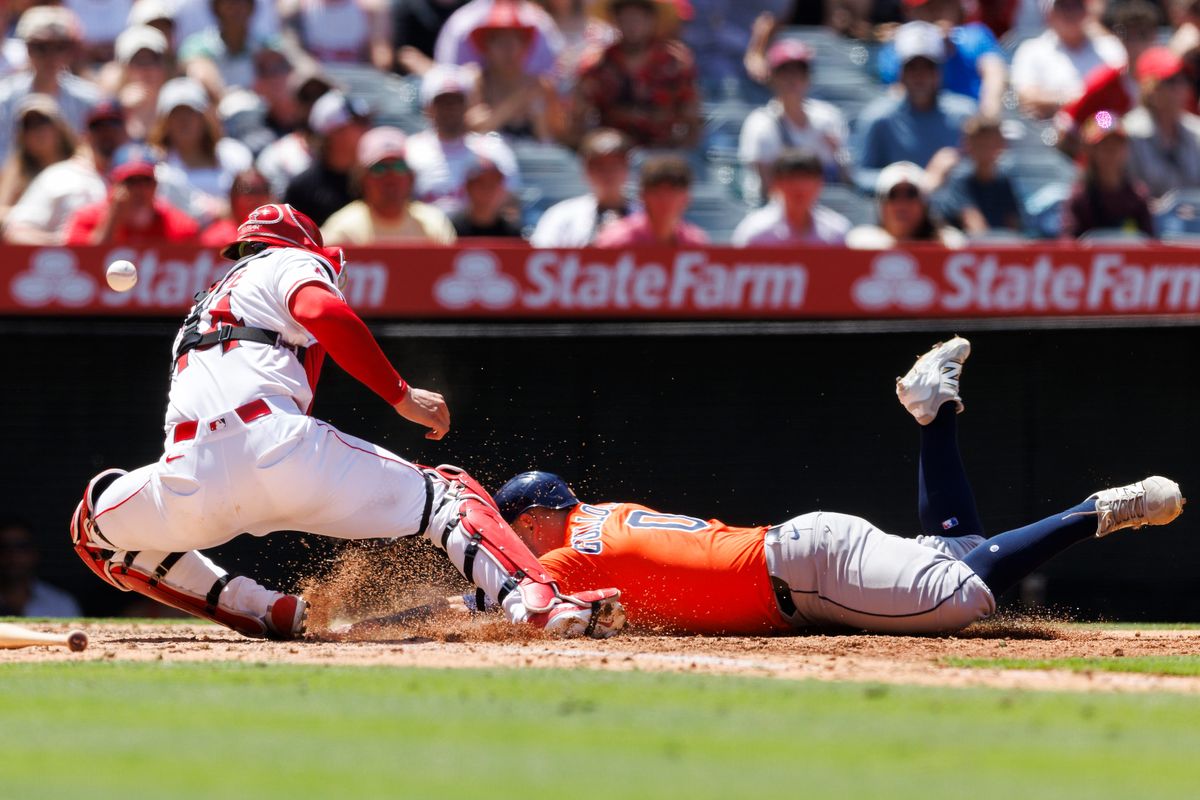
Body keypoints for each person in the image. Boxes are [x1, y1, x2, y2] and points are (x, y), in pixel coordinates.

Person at [69, 202, 625, 640]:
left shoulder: (208, 302)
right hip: (279, 446)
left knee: (93, 526)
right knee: (447, 498)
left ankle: (259, 608)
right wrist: (401, 395)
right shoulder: (286, 258)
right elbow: (325, 312)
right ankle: (534, 600)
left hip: (191, 476)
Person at [489, 338, 1185, 635]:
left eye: (514, 526)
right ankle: (934, 413)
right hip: (804, 555)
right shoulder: (599, 518)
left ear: (537, 518)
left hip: (810, 577)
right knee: (960, 548)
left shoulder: (563, 557)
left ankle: (1101, 510)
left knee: (967, 596)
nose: (511, 541)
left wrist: (400, 621)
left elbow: (504, 599)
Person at [853, 20, 976, 196]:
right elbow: (860, 176)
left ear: (938, 72)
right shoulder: (878, 118)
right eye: (912, 67)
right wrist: (908, 180)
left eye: (928, 67)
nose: (920, 76)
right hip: (897, 215)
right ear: (901, 73)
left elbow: (984, 170)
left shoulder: (965, 115)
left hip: (955, 214)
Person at [570, 0, 699, 149]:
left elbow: (691, 117)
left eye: (639, 18)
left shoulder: (675, 64)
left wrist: (679, 150)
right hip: (612, 153)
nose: (632, 26)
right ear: (615, 20)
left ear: (652, 20)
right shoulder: (597, 65)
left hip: (662, 149)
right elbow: (578, 117)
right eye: (626, 19)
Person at [737, 39, 848, 203]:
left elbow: (845, 178)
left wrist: (837, 155)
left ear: (808, 77)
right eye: (784, 72)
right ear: (772, 77)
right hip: (773, 209)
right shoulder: (759, 123)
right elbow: (767, 187)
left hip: (823, 207)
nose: (792, 79)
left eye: (799, 71)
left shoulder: (828, 117)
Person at [2, 99, 127, 245]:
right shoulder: (57, 176)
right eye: (98, 128)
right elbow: (16, 232)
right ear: (86, 135)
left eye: (114, 127)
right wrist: (69, 245)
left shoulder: (147, 176)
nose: (107, 135)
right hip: (70, 264)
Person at [406, 66, 520, 214]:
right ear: (429, 107)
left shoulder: (493, 149)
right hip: (427, 234)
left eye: (456, 101)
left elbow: (510, 201)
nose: (450, 108)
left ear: (467, 105)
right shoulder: (411, 150)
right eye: (443, 102)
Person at [321, 126, 458, 245]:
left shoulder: (435, 224)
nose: (391, 178)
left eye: (399, 167)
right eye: (379, 169)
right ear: (362, 178)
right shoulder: (341, 230)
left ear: (410, 177)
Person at [1054, 1, 1160, 151]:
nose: (1135, 43)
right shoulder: (1103, 82)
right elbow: (1066, 130)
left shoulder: (1169, 83)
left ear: (1154, 37)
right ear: (1119, 37)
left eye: (1142, 34)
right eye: (1129, 34)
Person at [0, 6, 101, 162]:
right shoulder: (4, 98)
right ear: (27, 49)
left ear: (70, 51)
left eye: (59, 47)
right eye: (40, 47)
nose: (50, 56)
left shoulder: (89, 100)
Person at [876, 0, 1008, 119]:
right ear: (910, 12)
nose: (937, 11)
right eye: (928, 6)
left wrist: (987, 118)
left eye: (944, 3)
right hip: (922, 131)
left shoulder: (975, 35)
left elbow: (995, 74)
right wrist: (928, 45)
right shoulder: (897, 47)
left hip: (975, 126)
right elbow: (897, 95)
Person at [149, 76, 254, 222]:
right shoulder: (155, 165)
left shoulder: (235, 154)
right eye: (175, 114)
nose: (184, 121)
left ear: (204, 118)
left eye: (191, 113)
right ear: (164, 123)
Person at [63, 143, 200, 245]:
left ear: (155, 185)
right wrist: (113, 219)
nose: (139, 190)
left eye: (145, 181)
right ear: (113, 185)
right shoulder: (85, 220)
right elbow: (85, 263)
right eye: (130, 182)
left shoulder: (179, 225)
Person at [1011, 0, 1125, 120]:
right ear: (1050, 14)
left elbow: (1125, 88)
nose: (1071, 13)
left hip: (1101, 121)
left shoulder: (1110, 47)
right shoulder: (1032, 50)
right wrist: (1070, 100)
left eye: (1077, 6)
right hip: (1048, 130)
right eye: (1063, 7)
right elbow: (1026, 97)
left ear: (1087, 12)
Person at [465, 1, 556, 140]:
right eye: (500, 42)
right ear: (487, 47)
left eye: (514, 41)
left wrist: (538, 113)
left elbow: (549, 140)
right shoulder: (476, 82)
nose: (508, 51)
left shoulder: (540, 85)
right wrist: (519, 100)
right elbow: (474, 128)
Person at [529, 127, 633, 247]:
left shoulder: (646, 215)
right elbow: (540, 256)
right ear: (586, 170)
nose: (607, 173)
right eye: (599, 166)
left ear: (627, 167)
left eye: (614, 165)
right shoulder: (561, 215)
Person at [1061, 111, 1155, 239]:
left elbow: (1150, 245)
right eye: (1104, 146)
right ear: (1089, 151)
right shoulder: (1080, 199)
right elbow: (1069, 247)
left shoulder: (1138, 196)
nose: (1112, 153)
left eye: (1117, 145)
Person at [730, 148, 850, 247]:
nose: (799, 187)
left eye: (806, 179)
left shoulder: (837, 232)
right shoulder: (754, 232)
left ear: (819, 184)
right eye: (790, 179)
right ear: (776, 184)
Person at [283, 89, 370, 225]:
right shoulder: (302, 188)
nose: (367, 128)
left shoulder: (375, 180)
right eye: (359, 122)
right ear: (335, 132)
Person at [1124, 47, 1200, 201]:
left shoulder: (1196, 130)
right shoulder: (1128, 134)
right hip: (1146, 223)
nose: (1181, 88)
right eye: (1171, 81)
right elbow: (1124, 195)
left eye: (1185, 79)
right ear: (1149, 89)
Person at [933, 115, 1022, 236]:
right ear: (967, 145)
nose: (985, 148)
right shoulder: (960, 177)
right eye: (980, 143)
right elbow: (973, 224)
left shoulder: (1004, 180)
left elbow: (1013, 223)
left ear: (1001, 145)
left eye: (991, 142)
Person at [593, 153, 707, 247]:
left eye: (673, 192)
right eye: (657, 193)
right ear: (642, 196)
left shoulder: (695, 242)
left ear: (687, 197)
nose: (665, 200)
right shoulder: (617, 240)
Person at [847, 161, 966, 248]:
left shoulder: (949, 243)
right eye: (893, 195)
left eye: (911, 194)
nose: (902, 204)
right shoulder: (860, 244)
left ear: (924, 204)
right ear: (880, 205)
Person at [0, 94, 77, 228]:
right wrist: (32, 214)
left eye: (44, 122)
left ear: (59, 128)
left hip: (72, 236)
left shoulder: (79, 163)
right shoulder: (17, 170)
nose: (37, 131)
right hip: (29, 240)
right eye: (29, 126)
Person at [434, 0, 563, 78]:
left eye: (516, 39)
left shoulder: (541, 23)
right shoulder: (461, 25)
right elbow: (448, 84)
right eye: (498, 40)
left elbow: (554, 80)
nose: (509, 48)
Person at [179, 0, 281, 95]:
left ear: (252, 8)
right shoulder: (197, 46)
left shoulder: (269, 46)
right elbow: (201, 74)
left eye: (242, 2)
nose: (236, 8)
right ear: (216, 9)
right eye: (230, 2)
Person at [101, 25, 172, 144]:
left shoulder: (177, 106)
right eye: (138, 61)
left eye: (153, 60)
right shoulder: (110, 110)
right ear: (123, 69)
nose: (146, 69)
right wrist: (118, 109)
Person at [1, 519, 82, 618]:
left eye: (22, 546)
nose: (12, 555)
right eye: (3, 547)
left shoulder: (61, 604)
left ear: (35, 552)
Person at [280, 0, 393, 70]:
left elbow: (382, 59)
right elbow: (292, 52)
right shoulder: (297, 7)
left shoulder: (370, 8)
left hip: (359, 81)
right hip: (317, 84)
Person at [449, 151, 523, 237]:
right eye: (482, 184)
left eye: (493, 184)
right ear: (468, 187)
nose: (488, 191)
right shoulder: (451, 231)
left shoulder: (513, 234)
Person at [199, 167, 275, 247]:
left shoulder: (279, 234)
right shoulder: (216, 238)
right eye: (248, 190)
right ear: (233, 197)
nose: (255, 198)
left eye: (262, 190)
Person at [393, 0, 470, 75]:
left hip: (459, 79)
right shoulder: (409, 7)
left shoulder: (472, 10)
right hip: (418, 80)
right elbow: (405, 55)